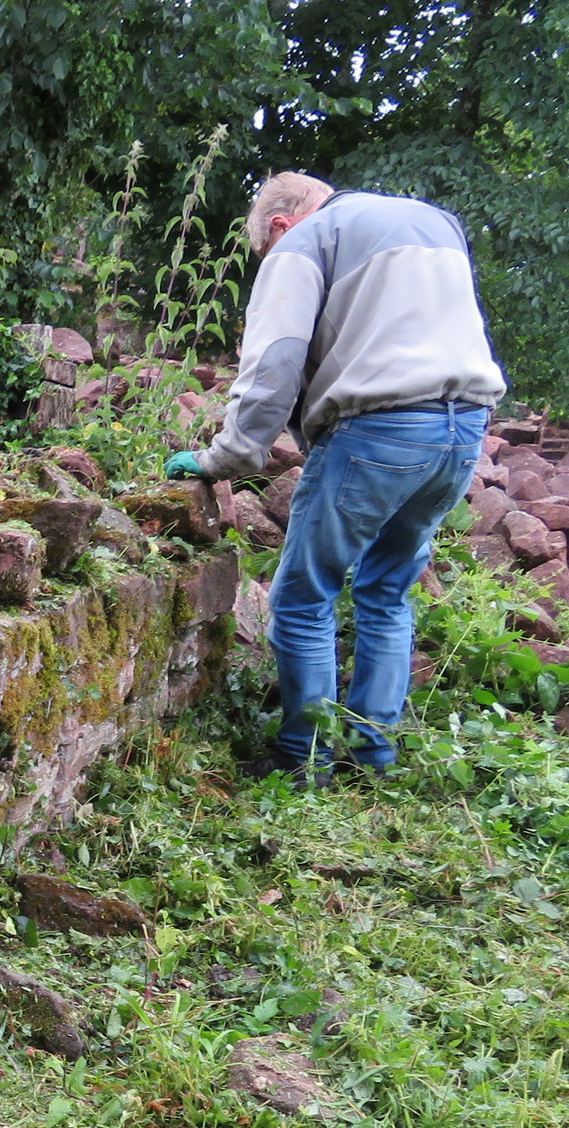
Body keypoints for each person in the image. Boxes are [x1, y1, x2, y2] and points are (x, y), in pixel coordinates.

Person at [166, 173, 507, 779]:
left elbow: (274, 363)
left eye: (266, 252)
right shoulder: (435, 221)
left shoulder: (304, 240)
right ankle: (373, 756)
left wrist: (225, 457)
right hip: (464, 430)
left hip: (380, 430)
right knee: (387, 591)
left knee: (303, 598)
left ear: (278, 225)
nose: (271, 260)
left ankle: (305, 762)